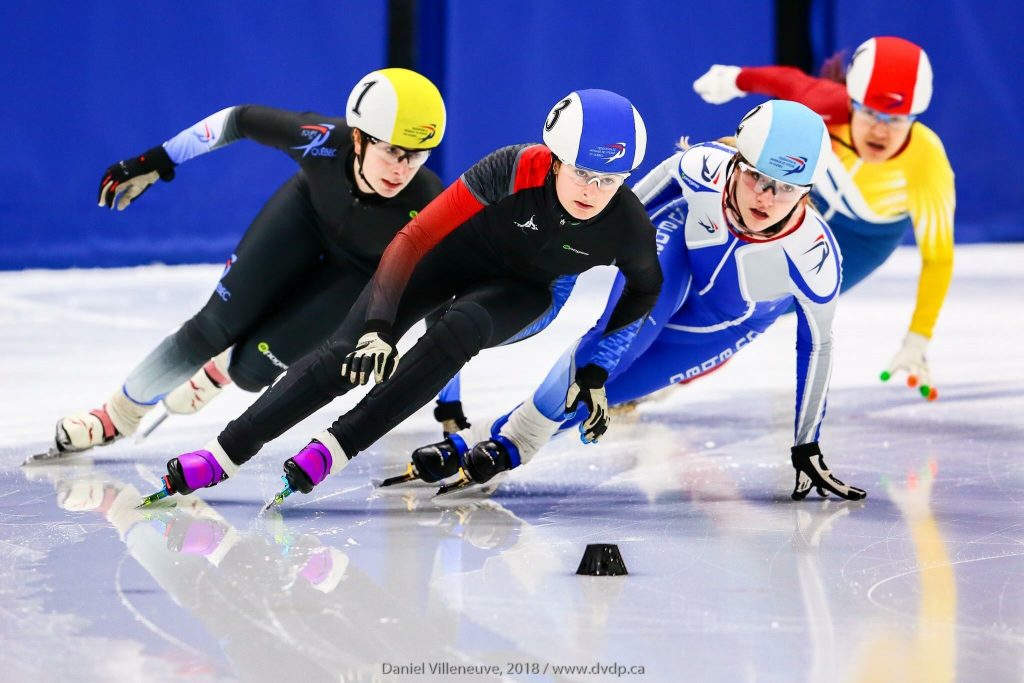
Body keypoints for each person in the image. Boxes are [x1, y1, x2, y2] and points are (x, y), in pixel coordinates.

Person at [140, 88, 662, 507]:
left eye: (610, 179)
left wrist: (596, 371)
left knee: (458, 328)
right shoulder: (511, 167)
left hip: (529, 293)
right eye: (581, 173)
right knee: (348, 348)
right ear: (553, 159)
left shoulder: (626, 225)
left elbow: (645, 289)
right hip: (455, 258)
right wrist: (377, 327)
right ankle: (224, 453)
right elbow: (412, 239)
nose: (592, 191)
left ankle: (339, 446)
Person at [401, 100, 867, 502]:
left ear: (807, 193)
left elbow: (817, 346)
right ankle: (507, 447)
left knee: (609, 391)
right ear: (735, 163)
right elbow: (632, 208)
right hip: (677, 254)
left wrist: (806, 446)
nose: (766, 197)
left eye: (785, 189)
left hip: (720, 324)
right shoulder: (704, 166)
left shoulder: (814, 257)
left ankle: (487, 442)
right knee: (611, 344)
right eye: (756, 179)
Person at [40, 68, 447, 461]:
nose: (402, 169)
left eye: (417, 156)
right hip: (305, 216)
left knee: (254, 369)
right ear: (358, 138)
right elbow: (238, 120)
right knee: (209, 329)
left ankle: (219, 373)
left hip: (359, 271)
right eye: (392, 151)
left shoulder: (428, 201)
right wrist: (157, 160)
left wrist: (450, 400)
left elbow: (442, 298)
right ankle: (115, 417)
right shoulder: (321, 140)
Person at [693, 36, 954, 401]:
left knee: (762, 303)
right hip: (806, 202)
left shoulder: (927, 164)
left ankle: (667, 379)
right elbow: (785, 81)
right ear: (851, 101)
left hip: (864, 240)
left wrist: (918, 337)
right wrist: (734, 80)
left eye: (897, 119)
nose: (881, 130)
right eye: (871, 114)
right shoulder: (826, 106)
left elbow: (938, 257)